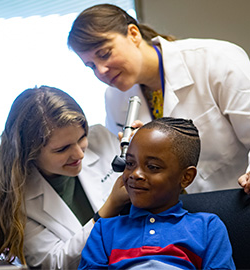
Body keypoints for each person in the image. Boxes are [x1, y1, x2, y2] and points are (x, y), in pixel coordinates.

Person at [67, 3, 250, 193]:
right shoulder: (115, 97)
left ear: (133, 34)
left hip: (236, 196)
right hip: (175, 212)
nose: (101, 71)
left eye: (104, 54)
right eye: (91, 66)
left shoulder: (215, 59)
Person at [0, 86, 129, 269]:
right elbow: (55, 263)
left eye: (82, 138)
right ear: (30, 154)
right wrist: (109, 209)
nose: (79, 154)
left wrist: (144, 152)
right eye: (62, 149)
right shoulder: (18, 201)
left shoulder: (101, 138)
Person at [78, 117, 235, 270]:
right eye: (130, 163)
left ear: (186, 177)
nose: (135, 174)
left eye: (152, 167)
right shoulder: (104, 231)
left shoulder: (207, 228)